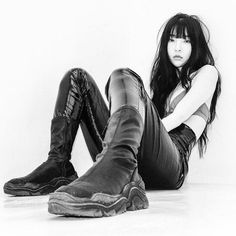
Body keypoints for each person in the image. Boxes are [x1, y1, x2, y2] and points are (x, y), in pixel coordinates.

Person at [3, 13, 221, 217]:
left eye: (186, 41)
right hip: (136, 159)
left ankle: (119, 167)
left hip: (172, 166)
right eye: (172, 40)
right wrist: (128, 130)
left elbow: (179, 117)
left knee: (124, 76)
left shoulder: (207, 73)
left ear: (197, 45)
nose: (178, 47)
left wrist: (131, 129)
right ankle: (58, 165)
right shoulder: (165, 86)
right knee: (77, 78)